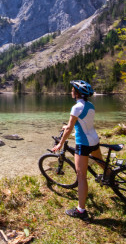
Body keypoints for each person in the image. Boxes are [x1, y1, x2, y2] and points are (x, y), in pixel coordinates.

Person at [51, 80, 104, 221]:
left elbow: (70, 128)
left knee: (81, 176)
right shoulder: (90, 105)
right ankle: (111, 179)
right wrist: (68, 127)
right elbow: (83, 122)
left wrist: (60, 144)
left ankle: (81, 210)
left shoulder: (76, 107)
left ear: (77, 93)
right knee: (101, 162)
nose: (71, 92)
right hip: (94, 140)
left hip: (83, 143)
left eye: (72, 90)